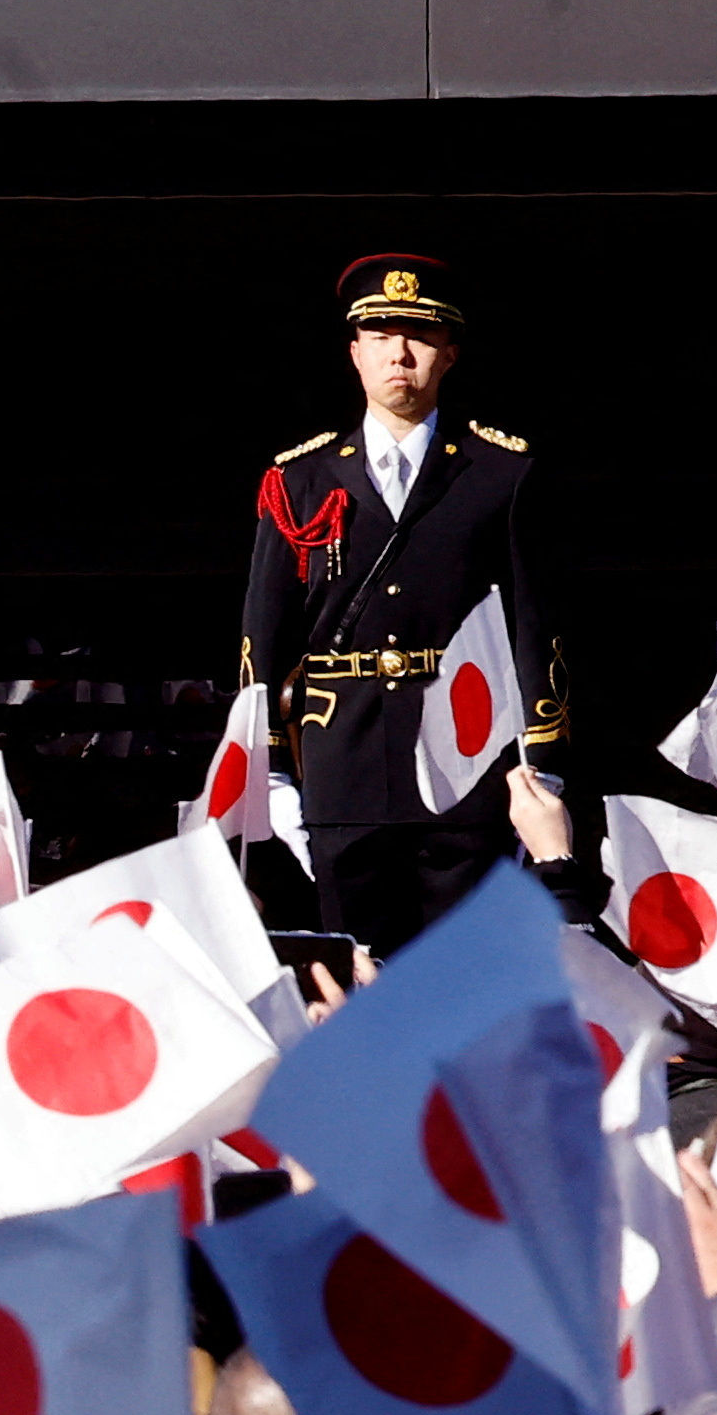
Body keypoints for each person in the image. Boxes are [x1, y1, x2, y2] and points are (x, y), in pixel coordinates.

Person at [236, 253, 563, 954]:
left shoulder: (499, 473)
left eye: (417, 336)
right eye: (380, 336)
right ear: (354, 353)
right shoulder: (298, 479)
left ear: (448, 353)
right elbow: (263, 637)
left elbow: (532, 627)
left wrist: (540, 758)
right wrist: (266, 770)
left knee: (461, 973)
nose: (399, 353)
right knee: (355, 967)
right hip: (340, 758)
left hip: (466, 753)